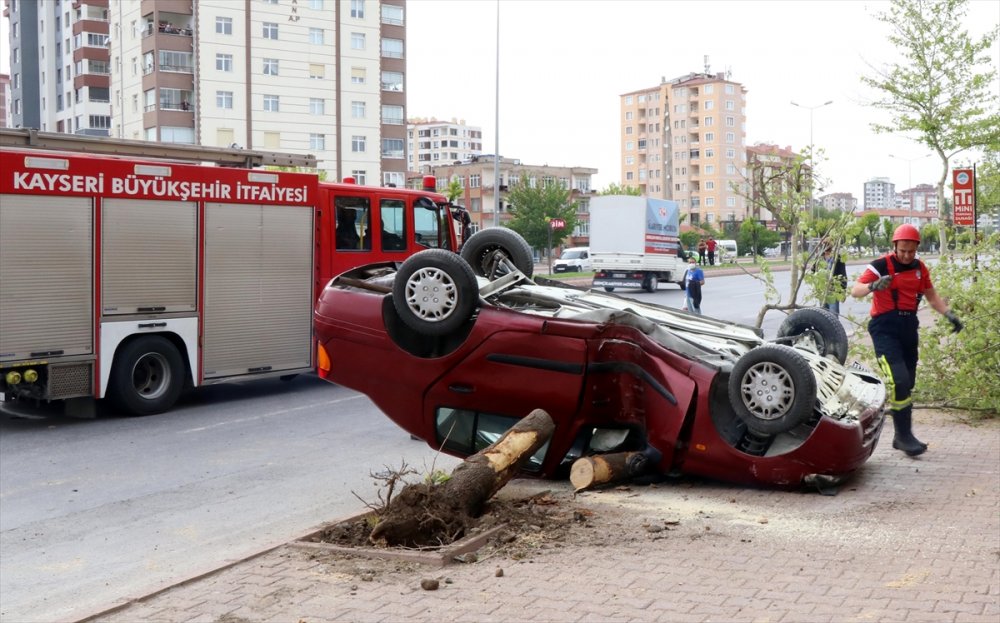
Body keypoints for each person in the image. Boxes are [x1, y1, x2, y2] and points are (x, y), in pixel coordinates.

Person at [850, 224, 962, 457]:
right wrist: (873, 286)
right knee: (899, 381)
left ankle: (900, 433)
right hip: (884, 328)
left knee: (907, 383)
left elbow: (931, 296)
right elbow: (855, 290)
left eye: (911, 251)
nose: (906, 255)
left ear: (916, 248)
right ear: (894, 246)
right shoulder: (882, 265)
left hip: (909, 327)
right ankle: (904, 436)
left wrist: (949, 315)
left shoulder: (920, 268)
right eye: (902, 250)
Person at [818, 246, 847, 315]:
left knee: (833, 314)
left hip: (834, 290)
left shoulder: (838, 258)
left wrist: (843, 291)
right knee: (823, 314)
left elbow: (843, 275)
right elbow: (814, 271)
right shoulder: (820, 258)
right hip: (822, 290)